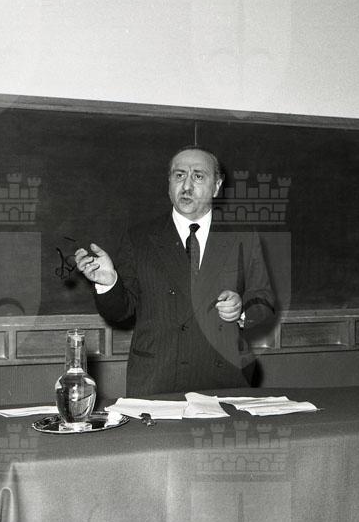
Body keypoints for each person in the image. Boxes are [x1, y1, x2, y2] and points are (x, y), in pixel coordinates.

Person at [75, 146, 276, 396]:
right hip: (158, 379)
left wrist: (241, 309)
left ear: (216, 186)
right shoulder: (140, 238)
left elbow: (264, 300)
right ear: (169, 184)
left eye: (198, 176)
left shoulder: (242, 236)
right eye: (179, 175)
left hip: (225, 377)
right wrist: (109, 283)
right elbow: (120, 312)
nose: (187, 186)